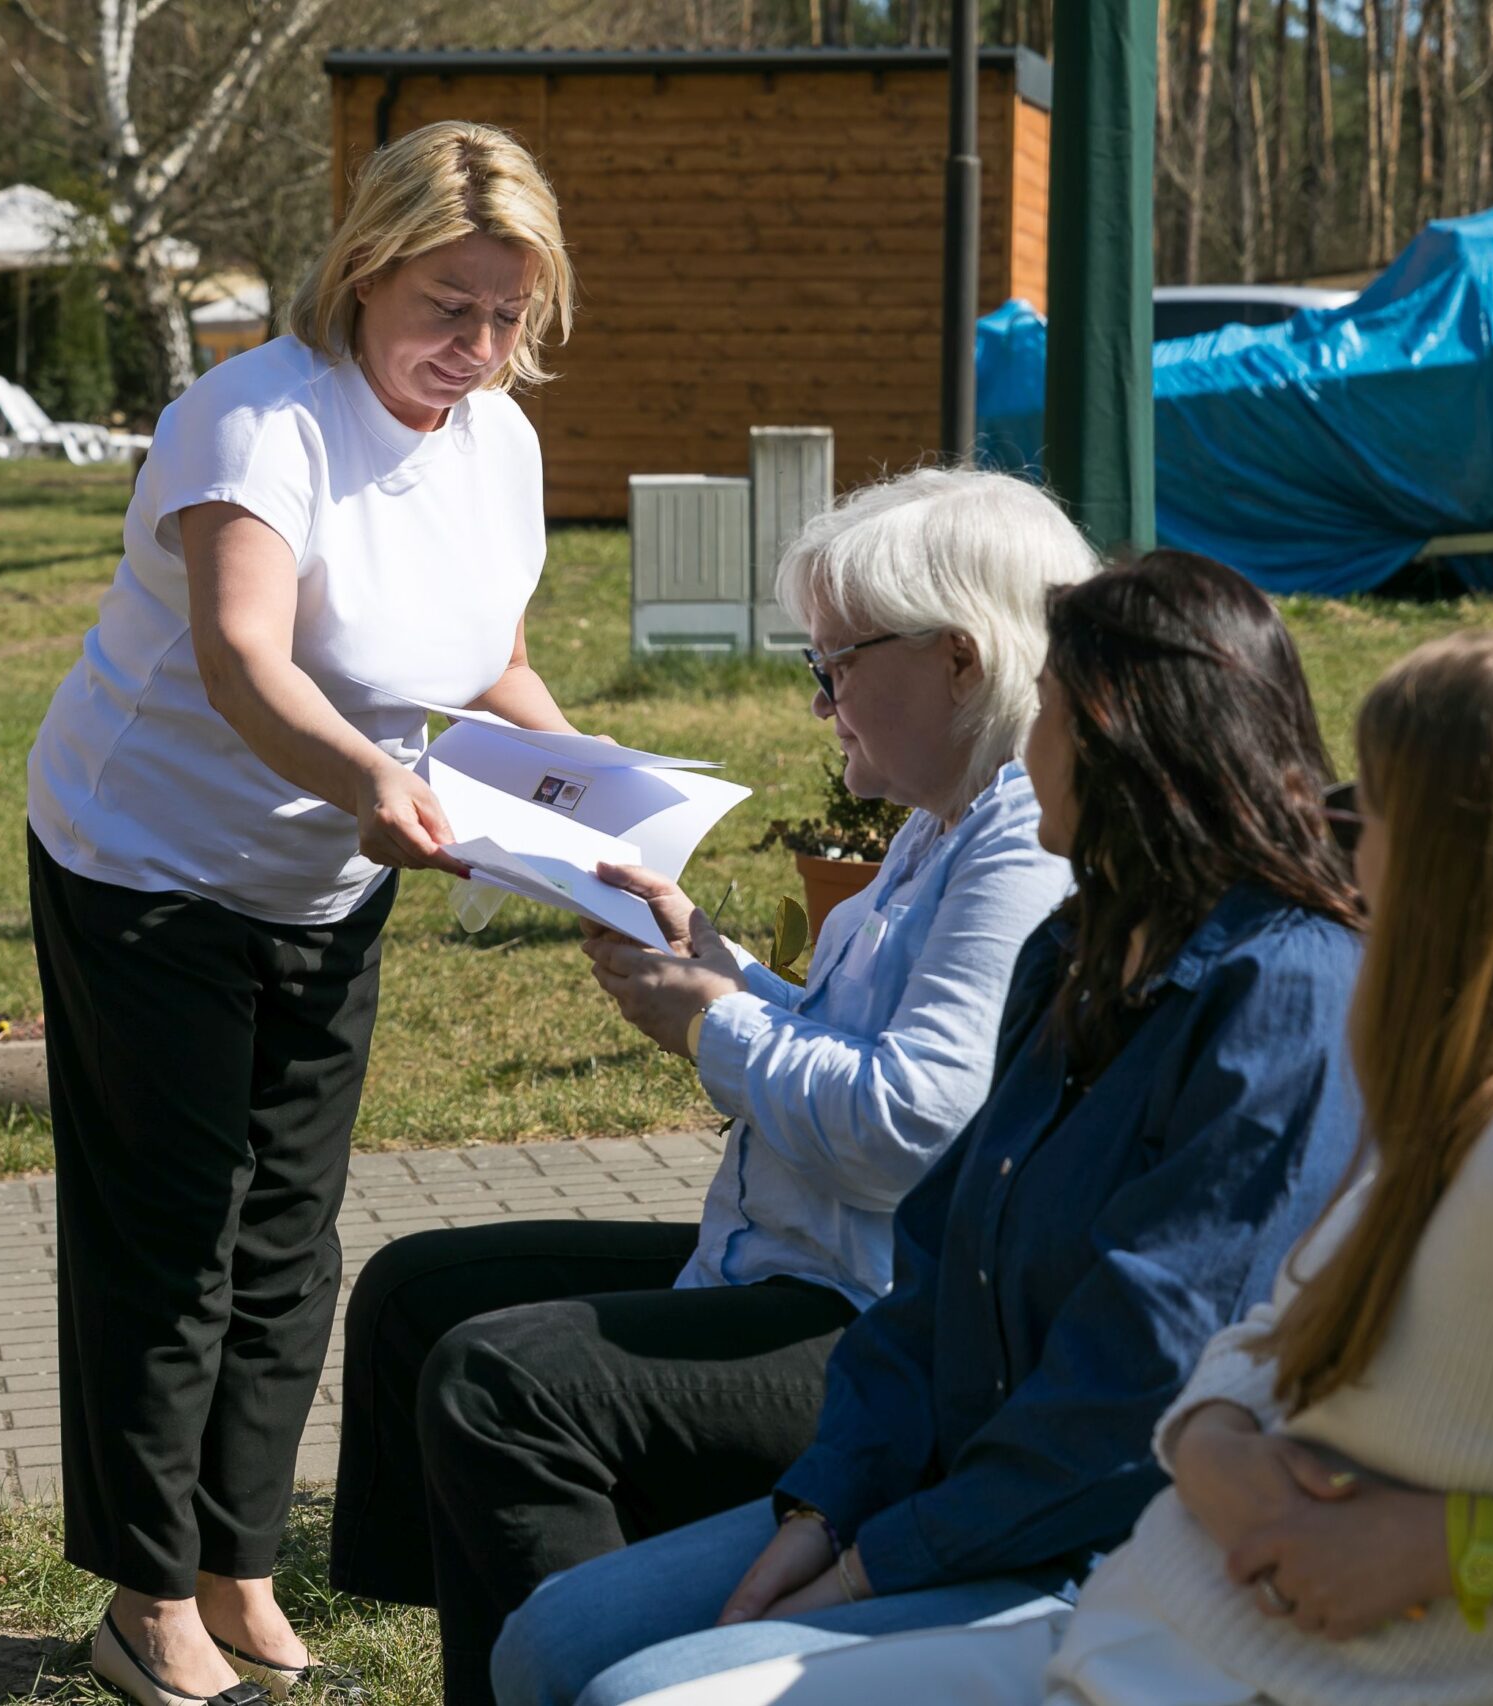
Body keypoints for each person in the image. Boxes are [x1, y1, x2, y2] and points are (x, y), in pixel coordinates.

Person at [614, 629, 1493, 1706]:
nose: (1336, 851)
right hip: (1146, 1640)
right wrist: (1217, 1436)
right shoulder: (1485, 1064)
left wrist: (1460, 1547)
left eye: (1366, 813)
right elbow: (1282, 1319)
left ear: (1469, 858)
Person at [491, 551, 1370, 1706]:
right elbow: (939, 1267)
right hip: (944, 1485)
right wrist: (825, 1503)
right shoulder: (1077, 946)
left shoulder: (1283, 988)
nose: (1023, 743)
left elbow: (1146, 1380)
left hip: (1118, 1544)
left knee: (640, 1690)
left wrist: (876, 1563)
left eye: (1044, 711)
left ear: (1123, 741)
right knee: (549, 1640)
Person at [328, 468, 1093, 1703]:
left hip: (881, 1322)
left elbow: (915, 1130)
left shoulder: (1018, 844)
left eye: (835, 663)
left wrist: (713, 1024)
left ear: (960, 657)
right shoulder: (940, 824)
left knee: (503, 1380)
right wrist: (716, 962)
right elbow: (856, 1047)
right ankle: (511, 1660)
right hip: (802, 1262)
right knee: (420, 1295)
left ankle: (611, 1668)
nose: (820, 699)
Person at [25, 120, 584, 1706]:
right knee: (173, 1241)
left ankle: (239, 1568)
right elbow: (242, 658)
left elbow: (493, 660)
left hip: (328, 875)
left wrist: (600, 800)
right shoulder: (255, 421)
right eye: (448, 306)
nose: (477, 346)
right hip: (143, 865)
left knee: (288, 1235)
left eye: (508, 314)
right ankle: (145, 1601)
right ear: (363, 273)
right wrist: (373, 782)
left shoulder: (497, 442)